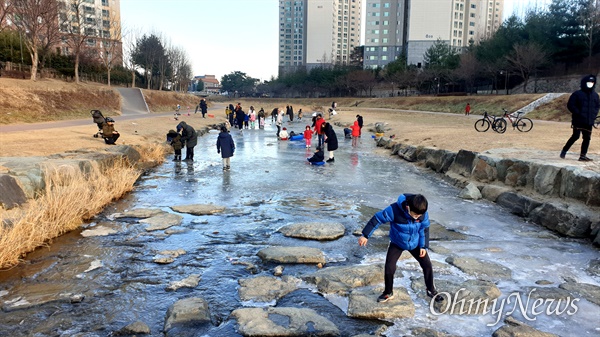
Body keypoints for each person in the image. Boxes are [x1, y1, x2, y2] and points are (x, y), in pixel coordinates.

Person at [358, 194, 443, 304]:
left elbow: (424, 229)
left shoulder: (422, 213)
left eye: (420, 215)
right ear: (408, 207)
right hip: (397, 242)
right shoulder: (394, 210)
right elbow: (377, 219)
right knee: (389, 267)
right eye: (415, 215)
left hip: (415, 243)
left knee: (427, 265)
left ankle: (431, 290)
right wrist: (365, 235)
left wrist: (423, 246)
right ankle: (388, 292)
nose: (418, 217)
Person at [560, 74, 599, 162]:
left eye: (592, 82)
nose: (590, 84)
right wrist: (578, 113)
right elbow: (571, 105)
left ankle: (583, 155)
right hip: (578, 120)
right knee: (575, 136)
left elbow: (597, 106)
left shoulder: (595, 95)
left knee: (587, 138)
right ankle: (564, 150)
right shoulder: (577, 94)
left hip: (589, 120)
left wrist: (593, 115)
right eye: (589, 82)